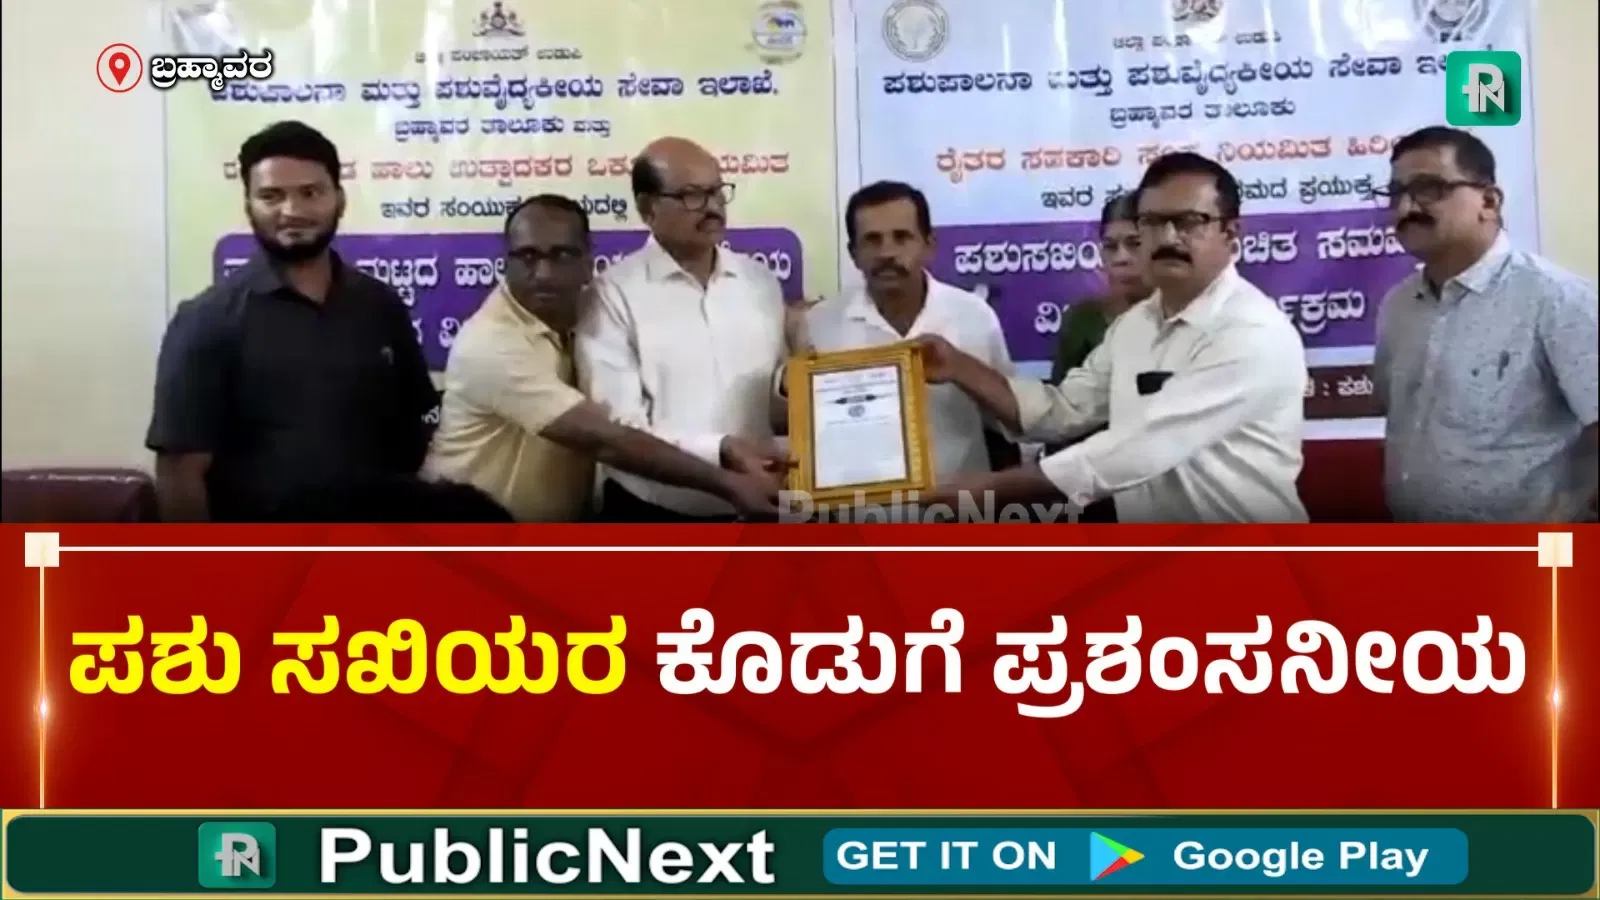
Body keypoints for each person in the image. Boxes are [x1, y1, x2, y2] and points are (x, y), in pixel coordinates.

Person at [916, 152, 1309, 523]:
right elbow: (1062, 411)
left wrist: (986, 490)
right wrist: (958, 367)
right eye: (1151, 222)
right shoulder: (1135, 325)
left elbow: (1141, 448)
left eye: (1190, 222)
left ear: (1230, 233)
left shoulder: (1251, 331)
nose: (1168, 237)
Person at [145, 121, 449, 522]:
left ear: (339, 199)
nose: (292, 211)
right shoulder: (205, 320)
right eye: (271, 196)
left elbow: (416, 427)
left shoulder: (380, 304)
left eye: (310, 193)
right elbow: (180, 474)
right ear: (248, 205)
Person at [423, 195, 785, 521]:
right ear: (507, 262)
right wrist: (728, 482)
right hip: (464, 537)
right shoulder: (493, 343)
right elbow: (606, 441)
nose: (543, 274)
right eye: (528, 256)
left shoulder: (590, 313)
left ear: (587, 262)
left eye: (561, 255)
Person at [1373, 126, 1597, 522]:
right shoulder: (1399, 306)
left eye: (1428, 189)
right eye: (1396, 193)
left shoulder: (1555, 298)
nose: (1406, 208)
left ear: (1489, 202)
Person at [575, 136, 800, 522]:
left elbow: (772, 408)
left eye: (717, 192)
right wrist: (720, 449)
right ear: (648, 208)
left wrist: (792, 384)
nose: (713, 207)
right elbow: (618, 429)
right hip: (654, 515)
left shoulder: (759, 281)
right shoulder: (611, 294)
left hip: (759, 509)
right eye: (692, 195)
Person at [776, 181, 1013, 496]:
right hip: (859, 512)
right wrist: (790, 380)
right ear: (853, 254)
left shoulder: (974, 316)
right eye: (872, 240)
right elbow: (799, 425)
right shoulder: (820, 322)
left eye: (902, 238)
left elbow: (1009, 419)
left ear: (929, 245)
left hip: (960, 509)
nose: (887, 253)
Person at [1044, 191, 1153, 522]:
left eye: (1134, 244)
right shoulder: (1082, 319)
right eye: (1111, 246)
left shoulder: (1181, 318)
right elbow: (1060, 412)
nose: (1121, 258)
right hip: (1092, 489)